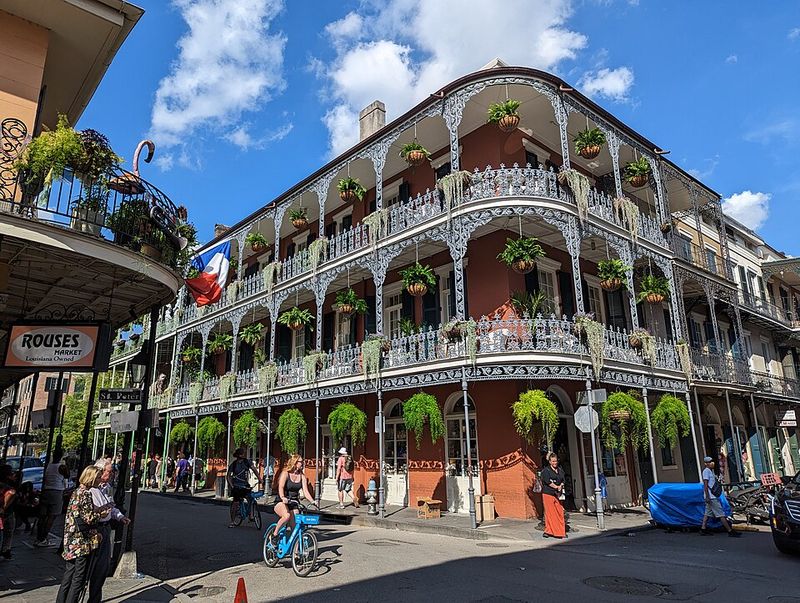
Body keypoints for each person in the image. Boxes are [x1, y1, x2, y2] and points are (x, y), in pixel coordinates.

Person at [56, 465, 109, 603]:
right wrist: (101, 514)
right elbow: (88, 519)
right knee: (78, 579)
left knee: (68, 576)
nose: (99, 480)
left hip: (71, 539)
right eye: (97, 477)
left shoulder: (76, 492)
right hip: (80, 542)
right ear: (91, 477)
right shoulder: (85, 494)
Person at [88, 458, 129, 603]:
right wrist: (102, 512)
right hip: (94, 530)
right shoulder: (91, 489)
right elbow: (91, 512)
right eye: (109, 472)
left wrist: (120, 516)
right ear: (100, 471)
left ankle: (94, 599)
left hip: (106, 529)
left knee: (102, 568)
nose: (111, 475)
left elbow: (111, 506)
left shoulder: (107, 488)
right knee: (88, 568)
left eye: (112, 472)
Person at [269, 454, 315, 547]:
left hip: (294, 502)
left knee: (296, 528)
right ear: (294, 463)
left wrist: (313, 501)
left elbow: (305, 491)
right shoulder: (285, 473)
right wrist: (283, 497)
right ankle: (274, 535)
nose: (302, 464)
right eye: (300, 462)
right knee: (286, 516)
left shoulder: (302, 476)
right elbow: (281, 487)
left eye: (302, 462)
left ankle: (297, 552)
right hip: (281, 501)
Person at [700, 455, 741, 537]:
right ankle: (730, 531)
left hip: (711, 496)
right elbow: (705, 484)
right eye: (709, 462)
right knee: (721, 514)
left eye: (712, 461)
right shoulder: (706, 472)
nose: (712, 463)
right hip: (711, 497)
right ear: (706, 463)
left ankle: (703, 529)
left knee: (707, 513)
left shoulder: (710, 471)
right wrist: (707, 496)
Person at [36, 448, 70, 547]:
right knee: (52, 516)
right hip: (56, 492)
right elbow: (67, 475)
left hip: (46, 490)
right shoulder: (61, 467)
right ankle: (44, 538)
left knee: (42, 516)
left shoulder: (48, 465)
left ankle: (39, 537)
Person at [227, 448, 256, 527]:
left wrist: (260, 479)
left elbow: (254, 470)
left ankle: (251, 515)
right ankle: (232, 522)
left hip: (245, 485)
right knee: (235, 503)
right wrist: (232, 486)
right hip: (236, 486)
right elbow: (228, 476)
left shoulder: (247, 462)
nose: (244, 455)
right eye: (243, 453)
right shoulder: (234, 464)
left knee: (251, 498)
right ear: (239, 455)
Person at [540, 452, 566, 539]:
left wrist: (561, 485)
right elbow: (547, 481)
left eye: (556, 461)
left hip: (558, 494)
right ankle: (551, 531)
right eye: (553, 461)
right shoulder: (546, 471)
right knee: (550, 513)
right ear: (550, 462)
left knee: (559, 512)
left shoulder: (560, 470)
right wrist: (556, 487)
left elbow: (563, 479)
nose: (555, 463)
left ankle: (559, 530)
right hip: (548, 493)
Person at [0, 464, 17, 559]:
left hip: (5, 510)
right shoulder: (9, 485)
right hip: (7, 511)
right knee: (9, 530)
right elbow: (12, 493)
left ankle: (6, 549)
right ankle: (6, 549)